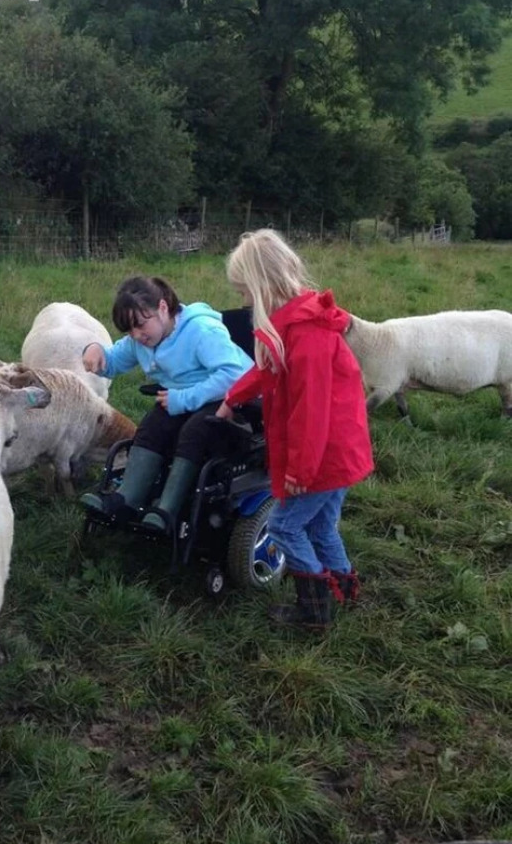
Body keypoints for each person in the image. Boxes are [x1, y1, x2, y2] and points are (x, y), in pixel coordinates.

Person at [215, 229, 373, 632]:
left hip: (324, 457)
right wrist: (233, 396)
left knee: (284, 527)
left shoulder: (307, 335)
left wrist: (300, 473)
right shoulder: (293, 323)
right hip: (338, 451)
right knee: (320, 526)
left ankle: (314, 612)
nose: (244, 302)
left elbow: (311, 413)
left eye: (245, 292)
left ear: (263, 286)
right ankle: (346, 592)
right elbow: (267, 369)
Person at [81, 274, 253, 531]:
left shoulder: (201, 330)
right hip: (185, 396)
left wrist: (183, 399)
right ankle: (126, 498)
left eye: (140, 325)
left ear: (163, 307)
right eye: (129, 330)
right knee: (153, 425)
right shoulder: (142, 340)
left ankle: (167, 510)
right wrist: (95, 350)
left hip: (233, 397)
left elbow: (233, 376)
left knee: (195, 431)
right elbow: (115, 359)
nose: (136, 335)